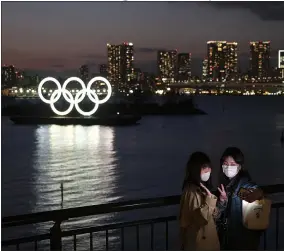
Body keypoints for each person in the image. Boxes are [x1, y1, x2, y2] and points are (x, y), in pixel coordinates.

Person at [215, 147, 264, 250]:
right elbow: (219, 215)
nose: (228, 167)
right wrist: (222, 201)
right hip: (227, 239)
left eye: (233, 164)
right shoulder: (225, 186)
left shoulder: (241, 186)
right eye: (226, 164)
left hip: (242, 241)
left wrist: (257, 193)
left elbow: (256, 193)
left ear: (240, 166)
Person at [179, 152, 220, 251]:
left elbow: (212, 214)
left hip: (205, 240)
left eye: (209, 167)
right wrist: (210, 200)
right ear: (195, 170)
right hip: (200, 242)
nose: (208, 170)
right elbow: (200, 219)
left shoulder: (200, 188)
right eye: (204, 167)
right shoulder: (192, 192)